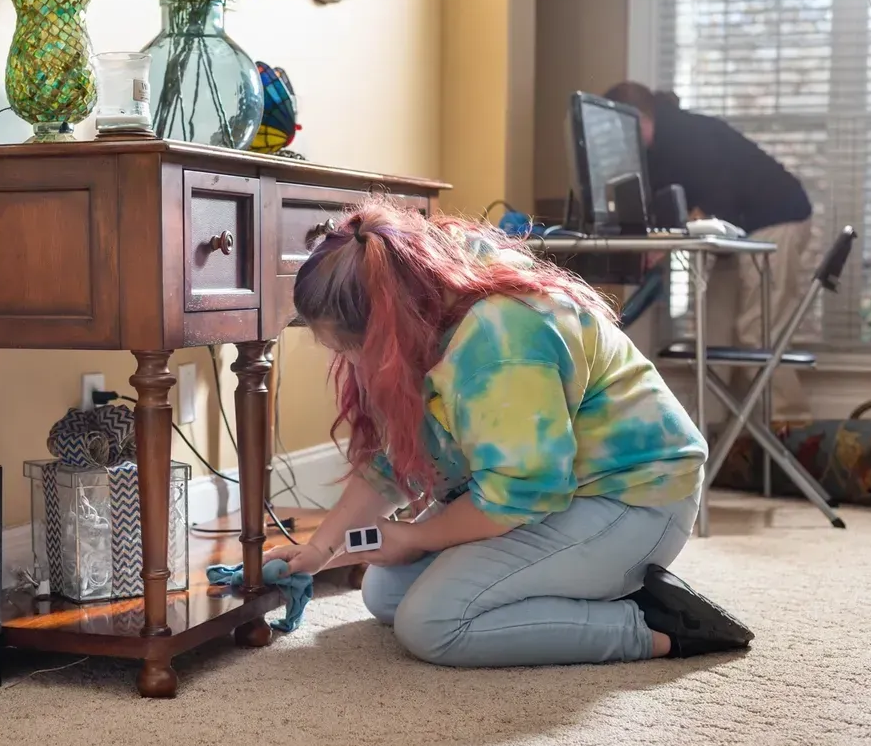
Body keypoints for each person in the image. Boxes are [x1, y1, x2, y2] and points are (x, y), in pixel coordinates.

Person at [263, 198, 754, 668]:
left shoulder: (501, 344)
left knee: (433, 624)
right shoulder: (430, 294)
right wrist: (320, 548)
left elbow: (520, 493)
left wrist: (418, 536)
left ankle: (655, 624)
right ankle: (590, 582)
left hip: (632, 499)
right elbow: (394, 461)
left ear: (388, 322)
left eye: (350, 347)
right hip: (551, 490)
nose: (348, 362)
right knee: (385, 594)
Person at [604, 81, 814, 422]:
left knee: (758, 331)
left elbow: (719, 203)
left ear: (636, 119)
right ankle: (713, 430)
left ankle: (791, 429)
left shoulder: (688, 135)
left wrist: (668, 240)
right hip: (739, 230)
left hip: (777, 219)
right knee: (713, 330)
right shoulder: (657, 151)